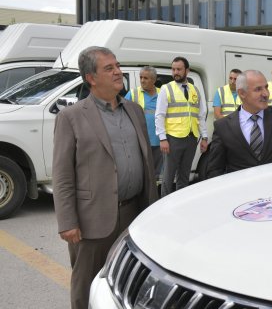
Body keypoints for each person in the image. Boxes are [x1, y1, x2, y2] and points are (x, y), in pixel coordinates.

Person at [52, 46, 158, 309]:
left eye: (117, 66)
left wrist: (153, 207)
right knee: (86, 285)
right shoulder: (71, 117)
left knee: (130, 282)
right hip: (92, 220)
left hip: (134, 213)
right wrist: (67, 221)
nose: (118, 72)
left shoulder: (133, 111)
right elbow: (62, 174)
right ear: (91, 77)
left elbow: (147, 163)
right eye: (109, 68)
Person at [155, 56, 208, 197]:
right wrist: (162, 138)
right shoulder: (166, 89)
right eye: (173, 69)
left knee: (184, 175)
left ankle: (181, 202)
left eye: (179, 69)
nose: (175, 72)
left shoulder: (195, 90)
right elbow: (159, 115)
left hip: (191, 138)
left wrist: (204, 137)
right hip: (173, 139)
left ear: (187, 71)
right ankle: (164, 205)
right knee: (168, 176)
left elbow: (200, 115)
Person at [125, 66, 163, 182]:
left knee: (156, 173)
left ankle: (155, 196)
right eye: (141, 77)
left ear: (154, 80)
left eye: (146, 78)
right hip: (140, 141)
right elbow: (123, 113)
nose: (142, 80)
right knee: (142, 172)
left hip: (159, 141)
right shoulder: (133, 93)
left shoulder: (162, 93)